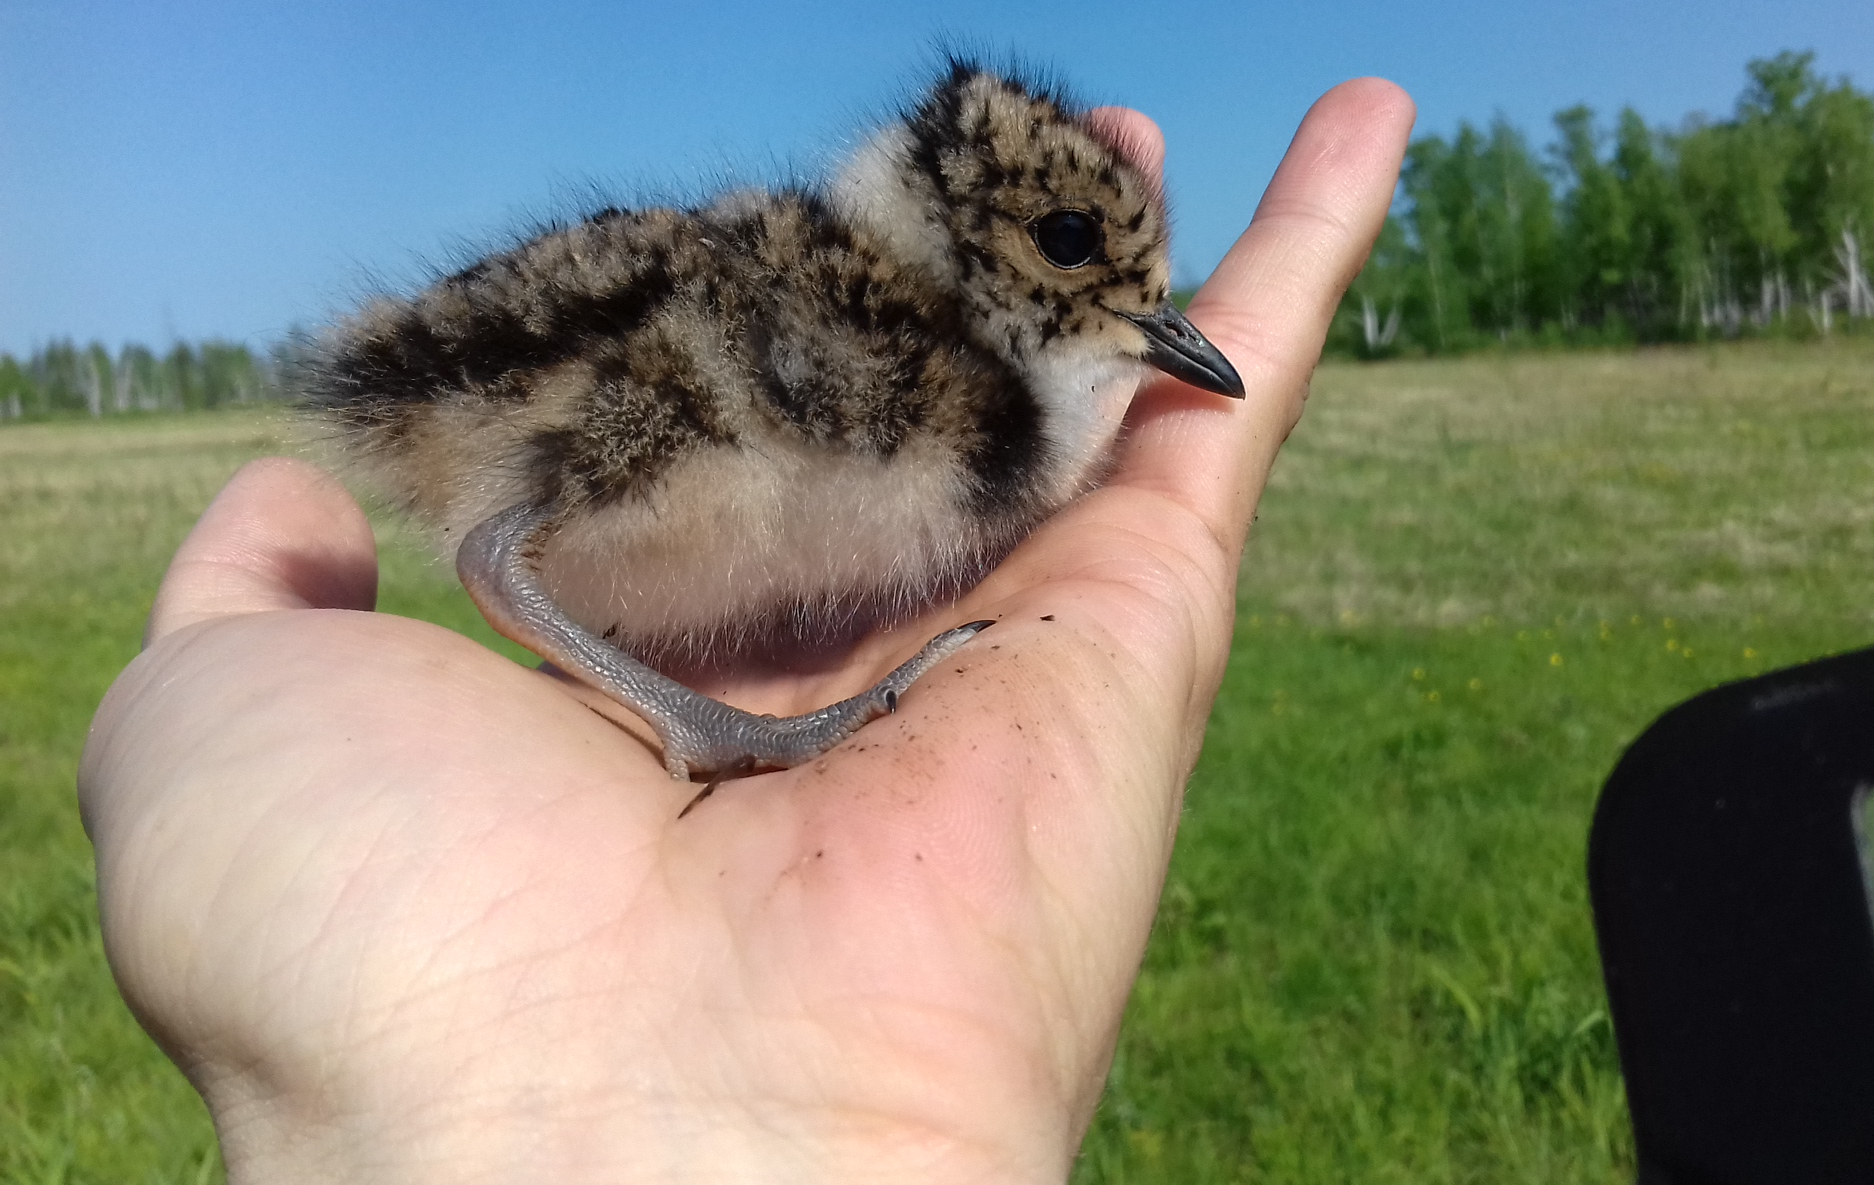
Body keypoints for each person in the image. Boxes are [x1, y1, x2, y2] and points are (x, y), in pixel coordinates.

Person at [79, 79, 1412, 1182]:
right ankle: (679, 715)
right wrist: (702, 717)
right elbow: (564, 471)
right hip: (571, 410)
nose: (1140, 310)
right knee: (539, 519)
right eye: (1074, 250)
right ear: (949, 228)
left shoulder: (921, 350)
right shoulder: (896, 352)